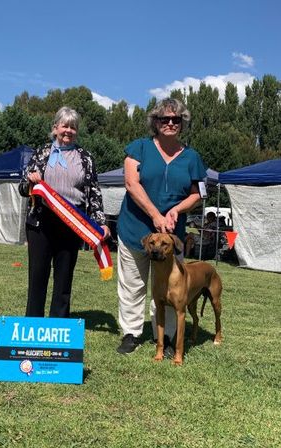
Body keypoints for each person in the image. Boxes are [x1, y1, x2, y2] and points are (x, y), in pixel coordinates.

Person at [116, 98, 207, 355]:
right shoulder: (139, 148)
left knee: (171, 287)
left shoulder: (192, 157)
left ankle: (167, 337)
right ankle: (131, 334)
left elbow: (199, 194)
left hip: (171, 236)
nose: (170, 123)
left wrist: (176, 209)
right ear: (154, 122)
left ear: (182, 123)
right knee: (133, 283)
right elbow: (132, 184)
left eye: (175, 119)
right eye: (164, 119)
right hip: (136, 228)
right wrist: (155, 214)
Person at [19, 107, 110, 318]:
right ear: (55, 128)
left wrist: (100, 222)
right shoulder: (41, 153)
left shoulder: (85, 157)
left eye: (73, 127)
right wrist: (30, 183)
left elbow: (94, 193)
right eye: (64, 126)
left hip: (72, 222)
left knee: (64, 276)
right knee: (37, 276)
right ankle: (33, 322)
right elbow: (23, 189)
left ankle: (59, 323)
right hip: (41, 221)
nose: (68, 130)